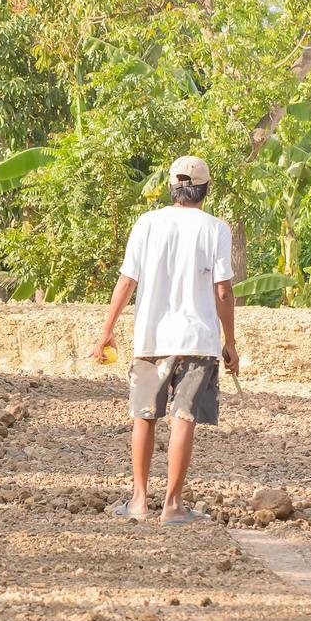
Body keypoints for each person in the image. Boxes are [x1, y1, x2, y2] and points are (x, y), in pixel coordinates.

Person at [90, 155, 239, 526]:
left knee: (144, 417)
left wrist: (107, 330)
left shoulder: (147, 223)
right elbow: (223, 290)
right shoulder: (216, 228)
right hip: (197, 340)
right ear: (206, 189)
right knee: (183, 418)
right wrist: (231, 341)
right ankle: (172, 506)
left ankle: (139, 500)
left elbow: (127, 281)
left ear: (172, 186)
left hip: (150, 339)